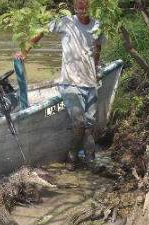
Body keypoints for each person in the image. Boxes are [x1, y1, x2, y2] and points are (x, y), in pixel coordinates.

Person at [17, 0, 106, 173]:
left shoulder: (98, 25)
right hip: (70, 83)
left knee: (90, 124)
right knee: (80, 121)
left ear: (90, 5)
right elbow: (42, 30)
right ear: (75, 6)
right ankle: (72, 156)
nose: (82, 7)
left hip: (89, 83)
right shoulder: (65, 22)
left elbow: (97, 50)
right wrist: (25, 51)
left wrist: (95, 70)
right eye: (79, 4)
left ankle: (90, 160)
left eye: (85, 3)